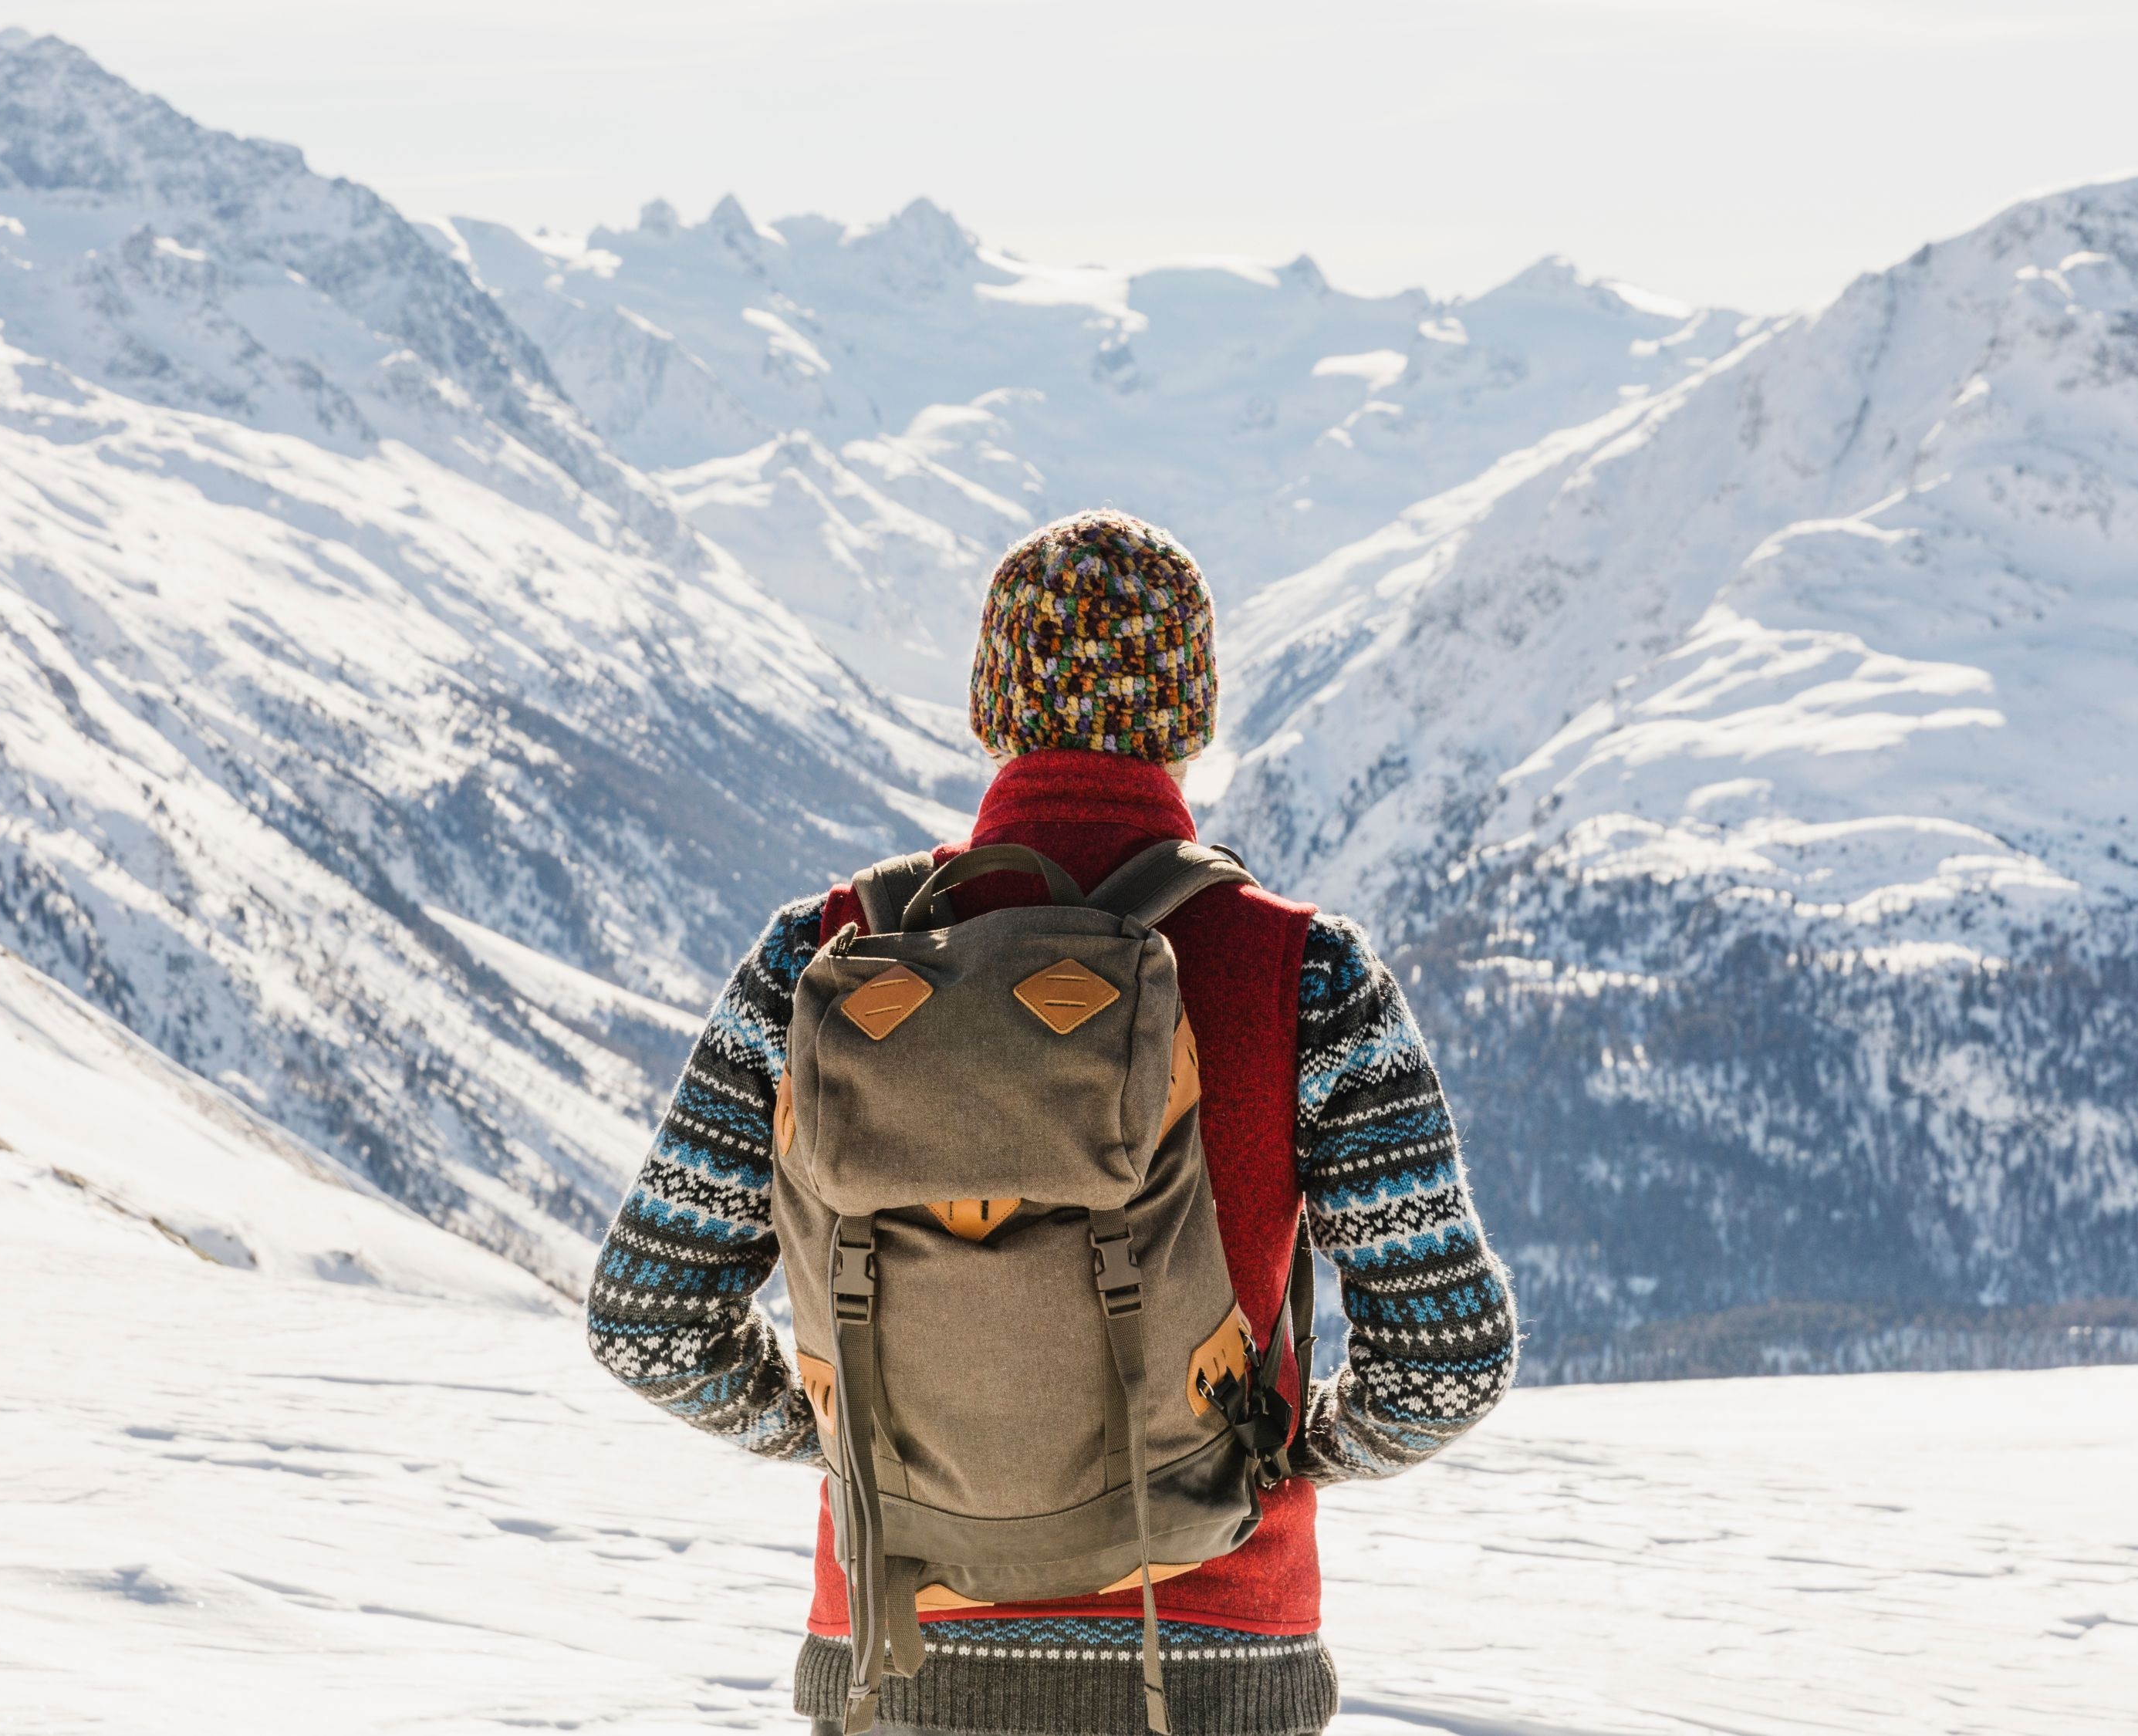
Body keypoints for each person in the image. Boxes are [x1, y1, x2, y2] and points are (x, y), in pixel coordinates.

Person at [587, 510, 1518, 1735]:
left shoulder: (822, 956)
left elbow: (648, 1324)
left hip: (899, 1658)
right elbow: (1448, 1361)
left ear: (993, 701)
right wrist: (1274, 1453)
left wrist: (858, 1449)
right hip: (1214, 1661)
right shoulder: (1310, 976)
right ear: (1191, 708)